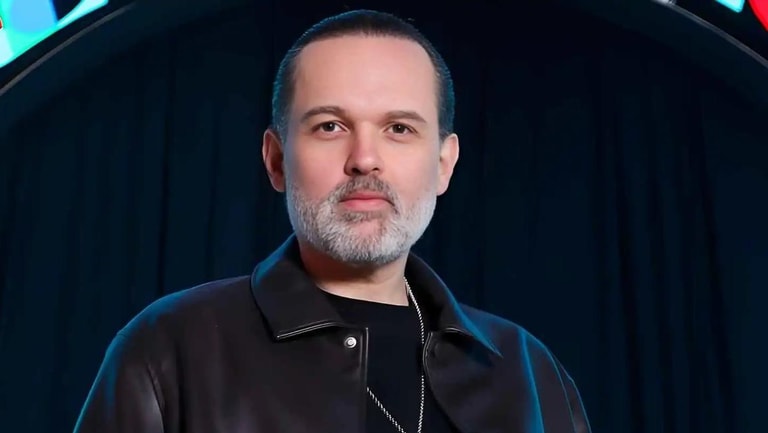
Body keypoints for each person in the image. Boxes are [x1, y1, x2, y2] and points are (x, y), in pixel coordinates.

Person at [73, 9, 591, 433]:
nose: (364, 160)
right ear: (277, 160)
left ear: (444, 164)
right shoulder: (169, 350)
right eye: (330, 126)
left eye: (399, 128)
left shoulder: (530, 374)